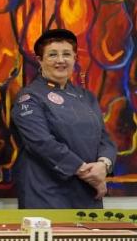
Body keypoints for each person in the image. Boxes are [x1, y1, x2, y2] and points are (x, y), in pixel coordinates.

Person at [12, 27, 117, 209]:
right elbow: (41, 143)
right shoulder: (29, 97)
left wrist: (103, 166)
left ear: (75, 59)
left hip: (87, 193)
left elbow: (105, 139)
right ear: (40, 60)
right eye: (52, 55)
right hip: (47, 193)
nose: (60, 60)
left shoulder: (87, 97)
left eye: (67, 54)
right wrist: (89, 174)